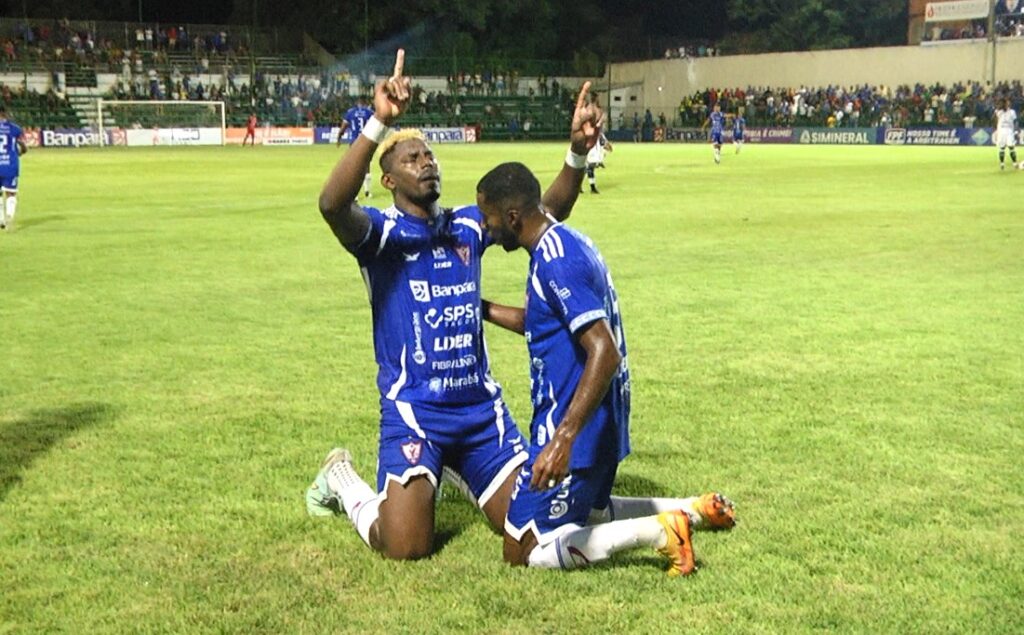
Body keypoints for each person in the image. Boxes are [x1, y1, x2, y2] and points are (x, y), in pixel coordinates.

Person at [305, 50, 604, 561]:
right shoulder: (381, 236)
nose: (425, 163)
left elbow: (541, 212)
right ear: (389, 181)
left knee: (531, 524)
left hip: (479, 413)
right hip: (415, 411)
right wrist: (380, 120)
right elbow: (332, 204)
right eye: (410, 159)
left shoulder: (466, 225)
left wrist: (576, 155)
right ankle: (341, 479)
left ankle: (462, 471)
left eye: (429, 156)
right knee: (404, 548)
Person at [475, 162, 736, 576]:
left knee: (522, 548)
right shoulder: (567, 243)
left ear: (511, 217)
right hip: (602, 426)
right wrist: (482, 309)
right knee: (591, 517)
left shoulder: (555, 262)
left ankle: (659, 533)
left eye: (488, 220)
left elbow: (603, 350)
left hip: (575, 433)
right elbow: (543, 321)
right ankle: (694, 510)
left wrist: (562, 439)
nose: (486, 230)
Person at [338, 96, 376, 199]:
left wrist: (339, 138)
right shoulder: (369, 112)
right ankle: (367, 192)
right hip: (366, 141)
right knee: (366, 166)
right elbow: (376, 126)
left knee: (354, 167)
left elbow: (343, 127)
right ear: (365, 103)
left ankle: (354, 195)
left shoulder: (350, 112)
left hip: (354, 142)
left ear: (357, 102)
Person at [0, 104, 26, 231]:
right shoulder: (15, 128)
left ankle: (1, 219)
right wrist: (21, 151)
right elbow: (23, 146)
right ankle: (9, 217)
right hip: (10, 165)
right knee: (11, 193)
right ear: (4, 113)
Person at [993, 98, 1019, 171]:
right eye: (1006, 103)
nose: (1007, 104)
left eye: (1007, 103)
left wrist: (1016, 131)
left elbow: (1015, 122)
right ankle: (1002, 164)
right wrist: (995, 130)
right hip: (1002, 131)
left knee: (1010, 147)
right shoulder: (998, 111)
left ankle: (1013, 163)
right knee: (1003, 148)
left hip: (1009, 131)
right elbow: (995, 121)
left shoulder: (1012, 112)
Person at [585, 125, 611, 194]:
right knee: (589, 169)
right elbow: (604, 144)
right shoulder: (598, 134)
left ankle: (581, 187)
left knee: (587, 169)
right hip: (592, 154)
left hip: (591, 153)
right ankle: (592, 188)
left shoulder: (591, 133)